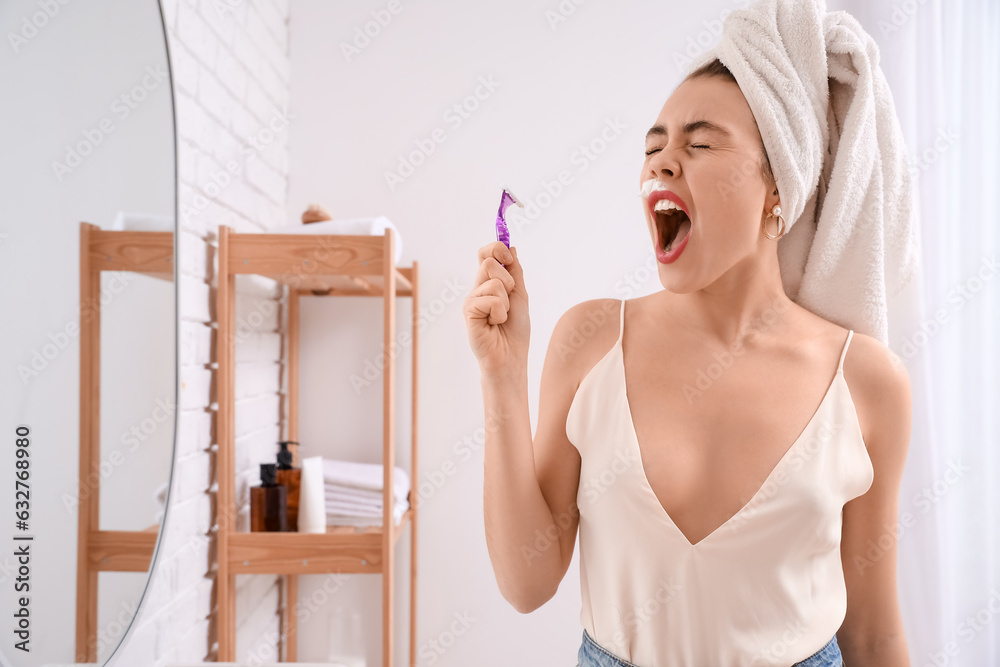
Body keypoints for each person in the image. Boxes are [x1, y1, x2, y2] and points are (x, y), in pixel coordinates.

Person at [463, 57, 912, 667]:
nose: (663, 160)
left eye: (700, 143)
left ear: (777, 185)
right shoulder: (589, 340)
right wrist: (502, 377)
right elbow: (526, 582)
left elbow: (874, 635)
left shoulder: (867, 382)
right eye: (654, 146)